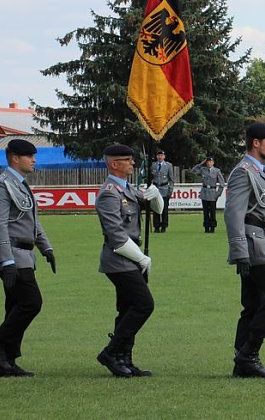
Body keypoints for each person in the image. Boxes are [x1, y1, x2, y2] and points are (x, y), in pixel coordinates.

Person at [0, 139, 56, 378]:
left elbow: (32, 220)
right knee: (31, 303)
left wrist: (46, 248)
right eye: (29, 156)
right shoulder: (1, 186)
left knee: (14, 306)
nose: (34, 160)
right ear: (14, 158)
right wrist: (7, 261)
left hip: (24, 254)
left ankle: (7, 360)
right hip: (13, 255)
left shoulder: (19, 184)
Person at [224, 122, 265, 379]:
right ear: (256, 143)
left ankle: (242, 363)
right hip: (253, 246)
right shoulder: (243, 172)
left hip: (261, 239)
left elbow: (259, 209)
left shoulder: (257, 170)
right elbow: (234, 214)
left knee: (253, 305)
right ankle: (248, 354)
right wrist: (239, 251)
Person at [94, 144, 163, 378]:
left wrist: (156, 195)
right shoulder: (109, 193)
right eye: (127, 159)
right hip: (119, 259)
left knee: (126, 309)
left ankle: (125, 359)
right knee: (144, 304)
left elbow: (157, 210)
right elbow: (116, 234)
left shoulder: (128, 189)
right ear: (114, 164)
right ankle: (111, 353)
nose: (133, 163)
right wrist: (141, 257)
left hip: (130, 259)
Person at [191, 155, 226, 233]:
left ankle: (212, 227)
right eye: (207, 162)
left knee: (212, 211)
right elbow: (193, 170)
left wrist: (218, 194)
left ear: (213, 163)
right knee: (206, 211)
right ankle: (206, 227)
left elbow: (222, 183)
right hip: (204, 192)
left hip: (213, 192)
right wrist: (200, 164)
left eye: (210, 162)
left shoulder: (217, 171)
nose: (209, 163)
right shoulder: (203, 170)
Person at [151, 149, 174, 233]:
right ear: (156, 156)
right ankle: (156, 226)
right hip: (156, 188)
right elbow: (150, 177)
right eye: (158, 155)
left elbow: (171, 179)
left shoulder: (168, 165)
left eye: (161, 155)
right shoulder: (153, 165)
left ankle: (164, 226)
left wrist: (170, 190)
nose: (160, 157)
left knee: (164, 209)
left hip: (164, 189)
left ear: (164, 156)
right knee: (155, 208)